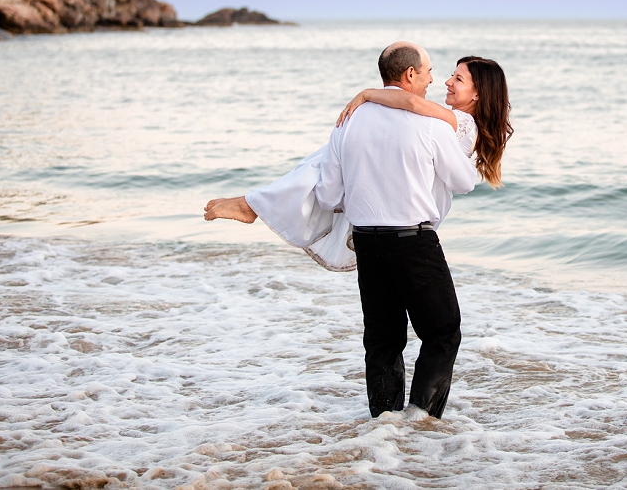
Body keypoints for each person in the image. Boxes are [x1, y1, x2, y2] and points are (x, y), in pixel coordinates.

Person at [204, 43, 512, 418]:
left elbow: (329, 191)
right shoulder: (437, 125)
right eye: (433, 72)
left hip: (367, 240)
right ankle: (419, 426)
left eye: (454, 77)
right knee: (442, 332)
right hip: (412, 241)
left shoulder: (353, 117)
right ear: (411, 75)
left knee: (383, 340)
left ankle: (382, 427)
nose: (440, 80)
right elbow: (463, 181)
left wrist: (368, 166)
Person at [203, 52, 512, 271]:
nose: (445, 81)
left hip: (413, 219)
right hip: (407, 216)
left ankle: (256, 203)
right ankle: (256, 202)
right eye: (449, 74)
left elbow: (412, 101)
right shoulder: (459, 122)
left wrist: (367, 94)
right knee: (321, 161)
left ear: (477, 94)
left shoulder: (458, 122)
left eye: (457, 78)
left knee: (324, 163)